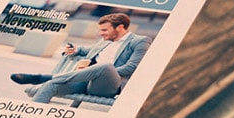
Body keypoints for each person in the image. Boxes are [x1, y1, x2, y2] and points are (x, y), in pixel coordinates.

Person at [11, 12, 150, 103]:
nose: (100, 33)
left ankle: (41, 78)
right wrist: (76, 50)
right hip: (83, 81)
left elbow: (131, 68)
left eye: (104, 30)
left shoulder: (139, 41)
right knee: (50, 86)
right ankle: (33, 114)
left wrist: (96, 71)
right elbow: (89, 51)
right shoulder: (106, 40)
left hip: (107, 86)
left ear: (120, 27)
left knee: (105, 66)